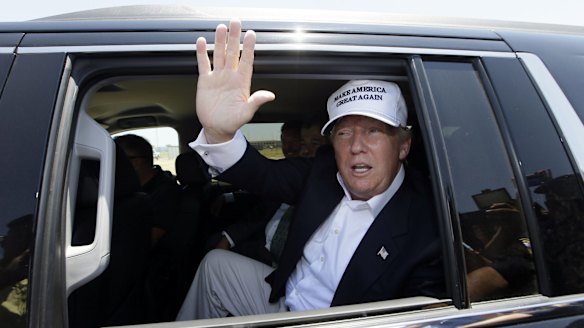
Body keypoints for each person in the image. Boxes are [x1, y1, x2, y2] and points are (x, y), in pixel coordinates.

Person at [176, 20, 444, 320]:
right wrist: (220, 134)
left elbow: (423, 311)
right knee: (216, 266)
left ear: (403, 146)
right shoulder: (321, 172)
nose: (356, 146)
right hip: (283, 298)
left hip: (336, 323)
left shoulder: (429, 223)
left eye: (373, 131)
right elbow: (262, 174)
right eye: (344, 133)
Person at [114, 134, 180, 246]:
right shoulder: (131, 188)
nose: (113, 164)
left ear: (136, 162)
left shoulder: (165, 193)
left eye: (116, 159)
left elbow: (146, 241)